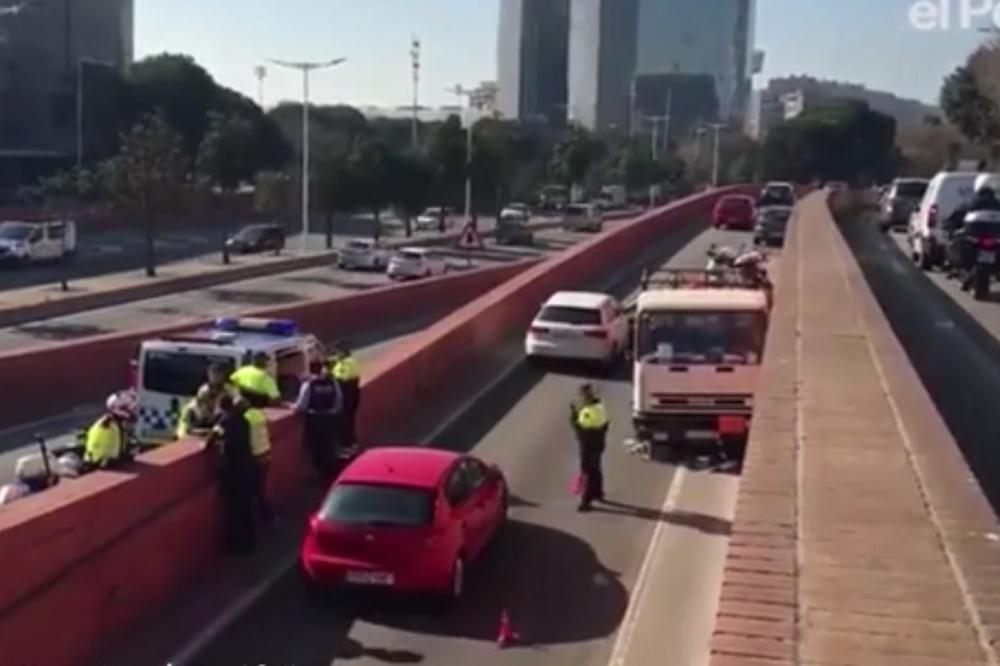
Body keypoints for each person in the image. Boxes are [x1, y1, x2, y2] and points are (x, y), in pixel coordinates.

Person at [206, 396, 256, 554]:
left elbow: (211, 438)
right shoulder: (245, 423)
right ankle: (249, 542)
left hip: (234, 472)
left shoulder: (226, 421)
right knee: (246, 508)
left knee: (234, 511)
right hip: (248, 469)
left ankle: (236, 545)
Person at [945, 180, 1000, 289]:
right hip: (991, 239)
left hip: (976, 238)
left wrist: (949, 225)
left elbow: (955, 216)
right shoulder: (997, 204)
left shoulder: (971, 203)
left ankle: (958, 270)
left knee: (956, 243)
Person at [293, 360, 343, 478]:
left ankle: (321, 474)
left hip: (315, 420)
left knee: (316, 448)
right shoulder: (332, 382)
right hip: (330, 418)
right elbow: (339, 400)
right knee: (330, 445)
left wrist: (291, 407)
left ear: (310, 370)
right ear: (321, 369)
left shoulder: (309, 384)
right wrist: (333, 411)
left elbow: (301, 406)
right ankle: (332, 472)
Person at [570, 384, 609, 513]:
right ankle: (598, 492)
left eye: (582, 396)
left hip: (588, 446)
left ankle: (585, 501)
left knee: (587, 472)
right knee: (596, 469)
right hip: (598, 445)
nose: (581, 398)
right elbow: (604, 425)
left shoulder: (587, 413)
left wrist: (573, 416)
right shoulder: (600, 407)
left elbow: (580, 429)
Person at [83, 393, 136, 470]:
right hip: (102, 466)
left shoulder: (116, 423)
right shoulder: (106, 425)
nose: (131, 411)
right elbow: (95, 453)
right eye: (127, 408)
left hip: (111, 463)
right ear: (119, 409)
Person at [331, 342, 362, 453]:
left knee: (346, 421)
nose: (336, 355)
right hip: (350, 393)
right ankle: (350, 444)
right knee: (348, 421)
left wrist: (331, 377)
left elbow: (343, 378)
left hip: (348, 394)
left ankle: (349, 445)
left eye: (337, 352)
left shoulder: (347, 363)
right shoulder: (342, 362)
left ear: (342, 352)